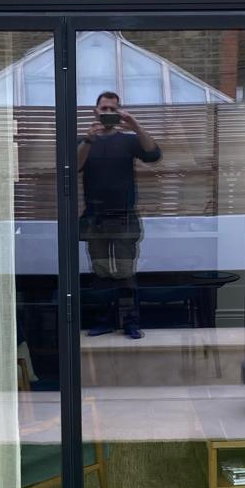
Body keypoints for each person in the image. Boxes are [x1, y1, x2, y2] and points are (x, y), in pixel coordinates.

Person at [77, 91, 161, 339]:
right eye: (104, 109)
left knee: (125, 272)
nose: (108, 114)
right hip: (95, 216)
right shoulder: (85, 141)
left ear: (119, 112)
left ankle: (130, 322)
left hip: (124, 215)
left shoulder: (128, 140)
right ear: (95, 112)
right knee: (100, 272)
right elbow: (73, 166)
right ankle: (104, 320)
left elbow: (154, 155)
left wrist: (134, 125)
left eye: (113, 109)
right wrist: (88, 140)